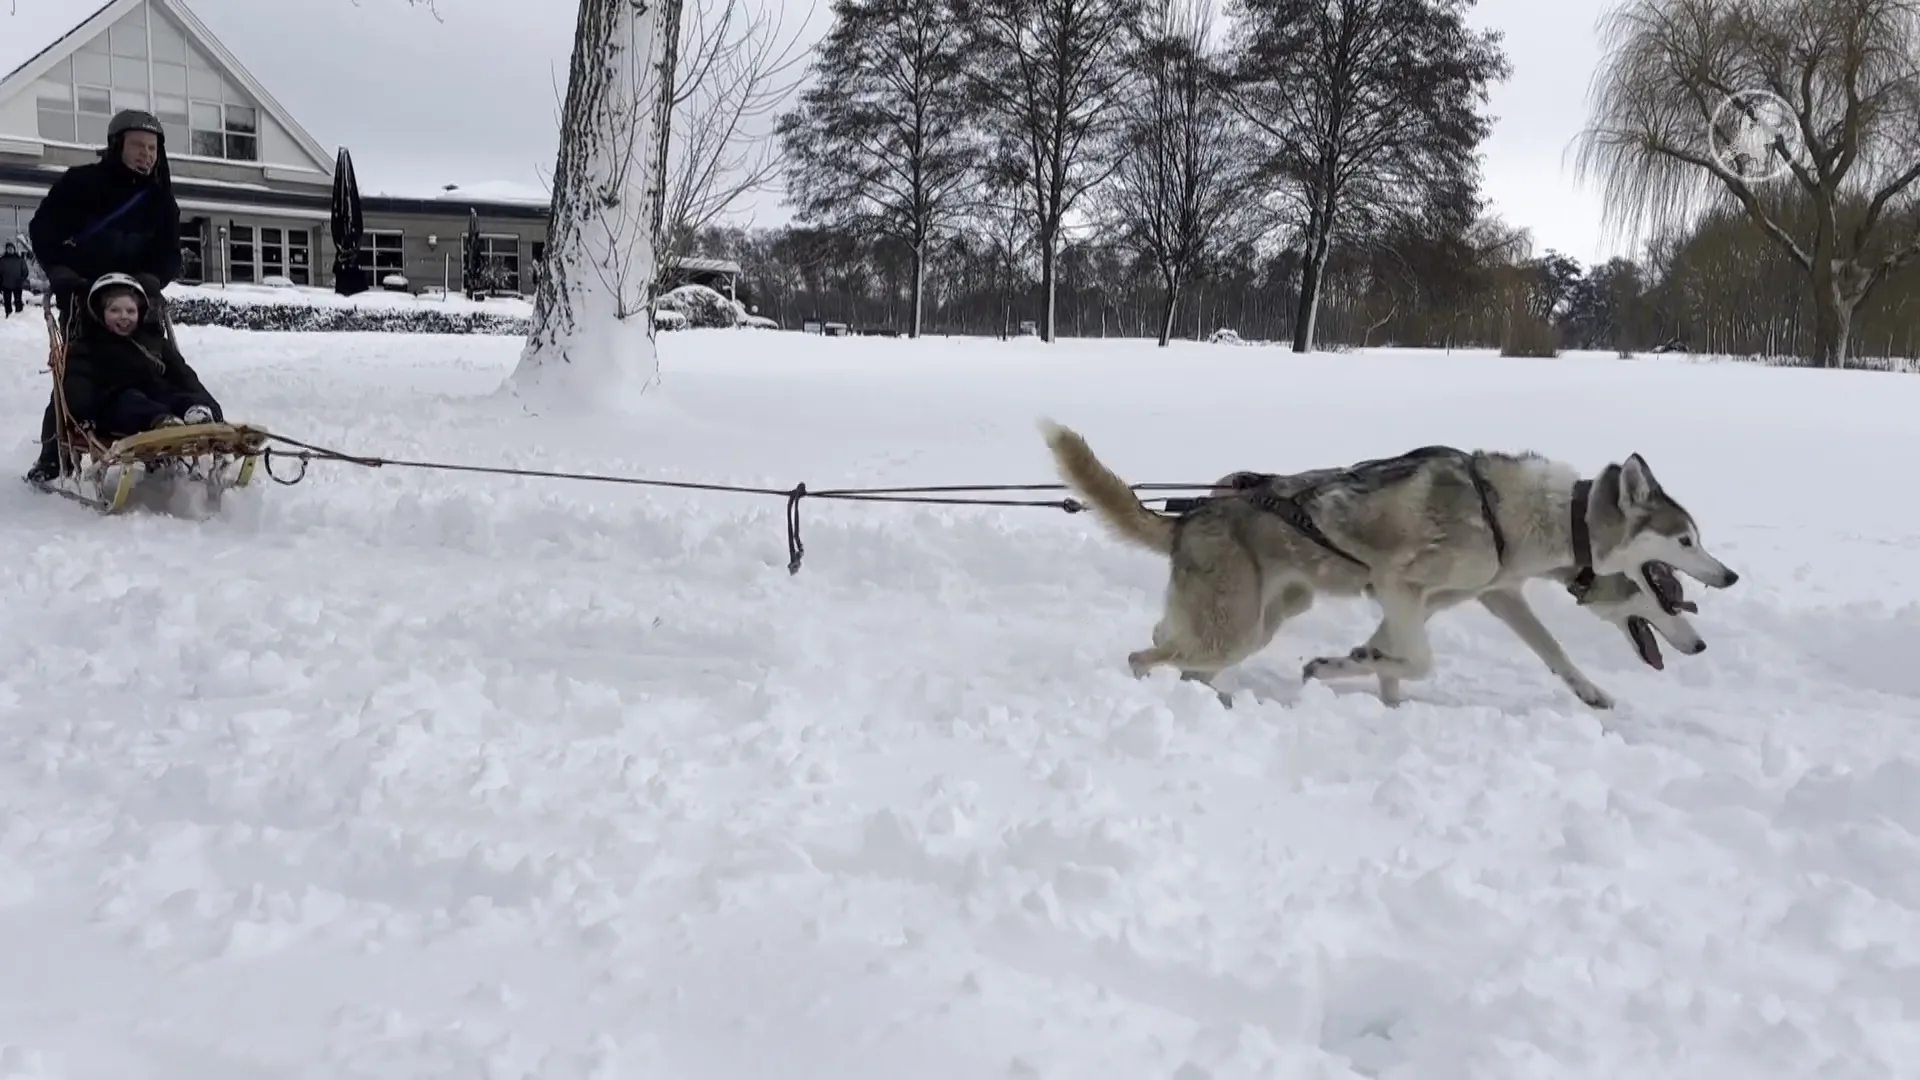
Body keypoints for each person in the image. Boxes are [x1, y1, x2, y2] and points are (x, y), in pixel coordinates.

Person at [24, 108, 182, 483]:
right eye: (138, 146)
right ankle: (53, 450)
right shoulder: (81, 184)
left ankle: (156, 425)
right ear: (117, 146)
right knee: (79, 369)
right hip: (83, 295)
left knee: (153, 363)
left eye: (152, 148)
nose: (146, 155)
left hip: (137, 298)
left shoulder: (160, 200)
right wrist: (60, 269)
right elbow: (43, 228)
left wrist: (153, 278)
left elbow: (170, 254)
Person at [60, 274, 221, 446]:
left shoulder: (154, 343)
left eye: (131, 311)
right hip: (116, 405)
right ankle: (163, 423)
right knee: (133, 403)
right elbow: (78, 382)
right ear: (101, 313)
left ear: (140, 313)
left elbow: (184, 375)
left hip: (159, 396)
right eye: (115, 310)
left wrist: (209, 403)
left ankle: (199, 416)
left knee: (181, 398)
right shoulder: (88, 346)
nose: (124, 316)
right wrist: (82, 415)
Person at [0, 242, 27, 316]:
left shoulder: (20, 260)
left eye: (11, 248)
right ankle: (8, 315)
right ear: (6, 250)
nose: (10, 250)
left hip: (17, 284)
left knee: (18, 301)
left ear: (14, 249)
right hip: (6, 285)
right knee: (7, 302)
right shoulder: (2, 260)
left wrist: (21, 280)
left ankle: (19, 315)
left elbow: (25, 271)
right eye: (8, 249)